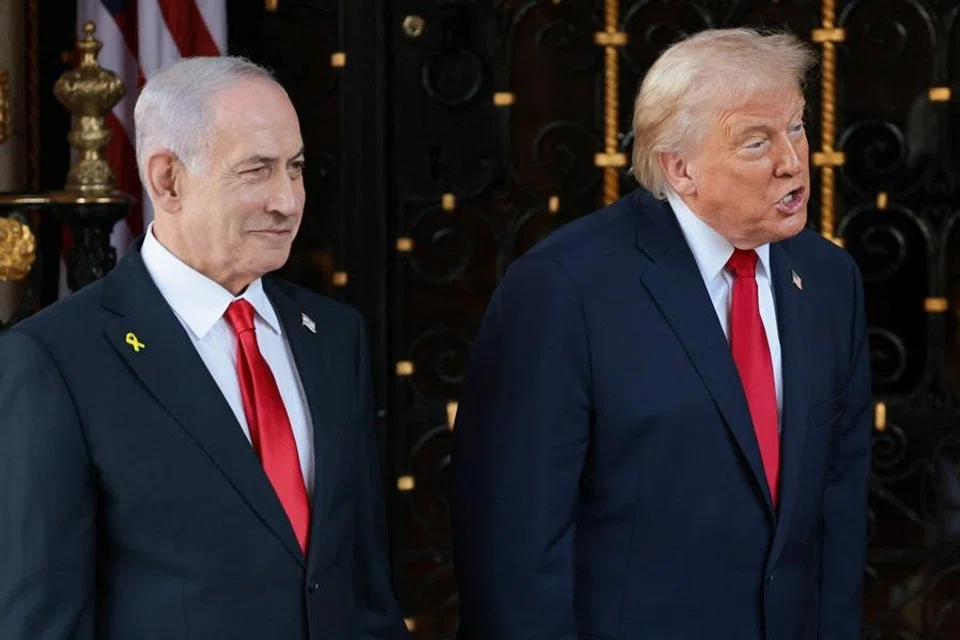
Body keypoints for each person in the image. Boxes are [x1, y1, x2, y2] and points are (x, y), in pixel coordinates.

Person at [452, 28, 872, 640]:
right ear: (681, 169)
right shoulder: (563, 288)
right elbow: (513, 546)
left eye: (797, 127)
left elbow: (838, 505)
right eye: (757, 142)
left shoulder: (830, 279)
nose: (792, 160)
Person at [0, 56, 408, 640]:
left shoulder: (335, 335)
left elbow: (363, 583)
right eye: (256, 170)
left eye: (294, 168)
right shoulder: (56, 360)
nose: (288, 201)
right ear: (167, 180)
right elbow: (41, 619)